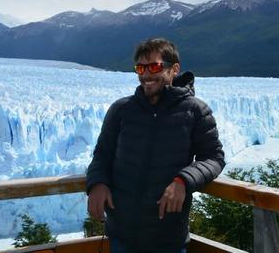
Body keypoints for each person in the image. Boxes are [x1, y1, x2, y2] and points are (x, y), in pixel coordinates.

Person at [86, 38, 225, 253]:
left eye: (154, 66)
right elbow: (102, 155)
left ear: (174, 69)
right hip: (122, 236)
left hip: (167, 239)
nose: (146, 74)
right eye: (140, 68)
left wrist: (183, 180)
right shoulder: (121, 110)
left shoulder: (195, 111)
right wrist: (97, 183)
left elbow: (214, 157)